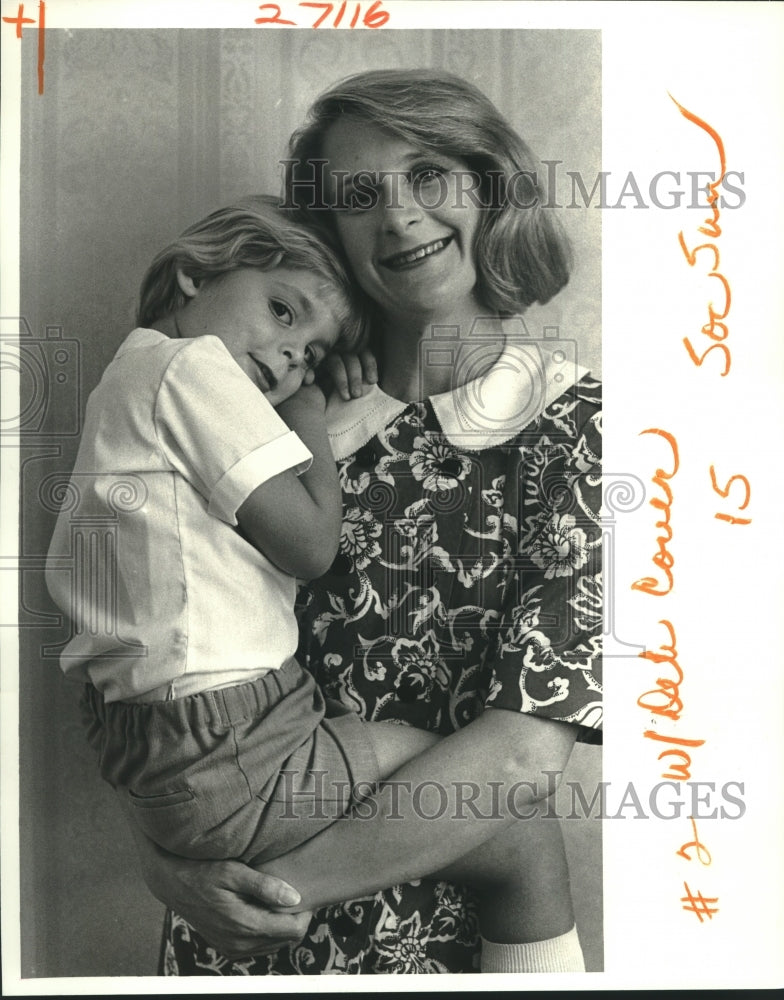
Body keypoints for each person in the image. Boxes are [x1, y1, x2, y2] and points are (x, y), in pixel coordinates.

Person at [46, 191, 596, 973]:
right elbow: (310, 549)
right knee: (523, 831)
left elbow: (521, 753)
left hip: (199, 778)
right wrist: (308, 404)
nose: (286, 357)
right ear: (195, 276)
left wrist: (221, 886)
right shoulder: (224, 389)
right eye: (280, 311)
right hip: (239, 766)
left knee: (513, 818)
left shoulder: (575, 430)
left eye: (306, 347)